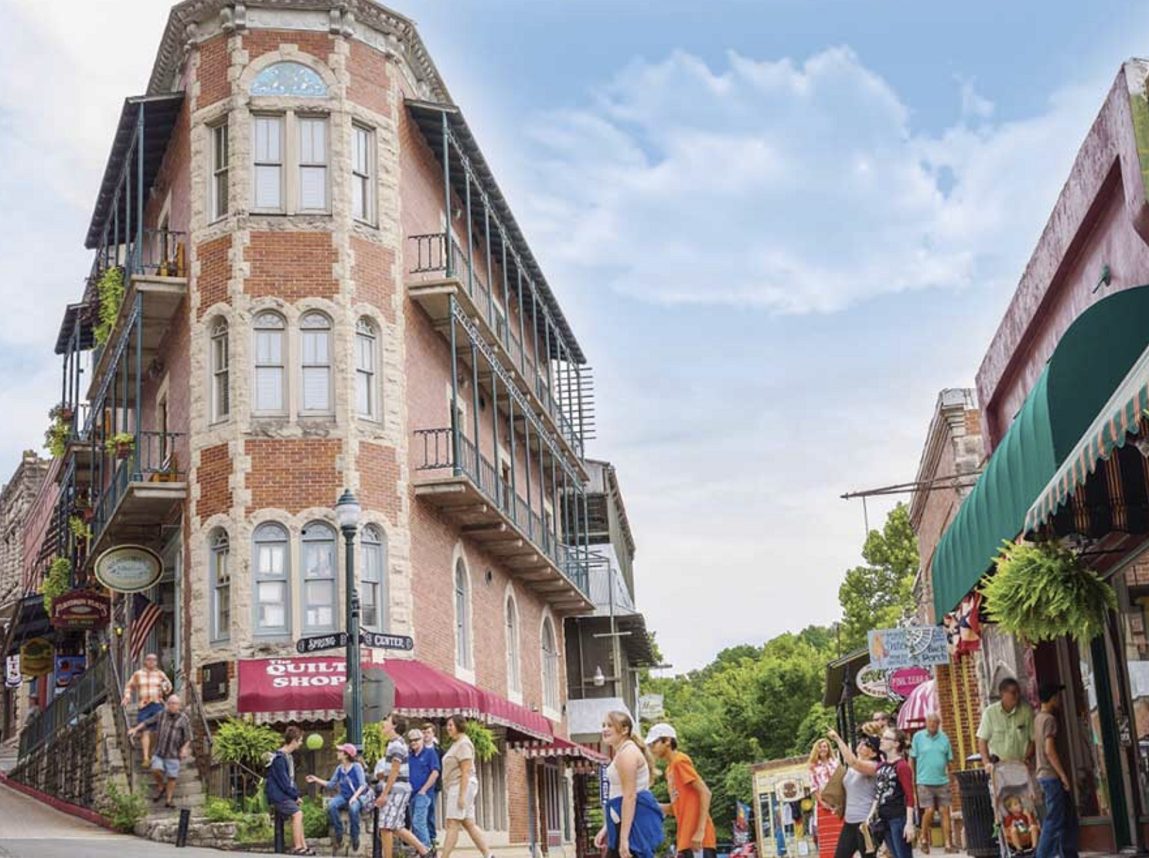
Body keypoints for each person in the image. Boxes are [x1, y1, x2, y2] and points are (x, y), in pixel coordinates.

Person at [593, 711, 665, 858]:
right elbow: (618, 793)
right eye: (603, 725)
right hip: (623, 822)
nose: (605, 729)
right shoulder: (623, 752)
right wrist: (607, 827)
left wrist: (624, 839)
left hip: (633, 825)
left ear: (625, 730)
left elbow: (629, 796)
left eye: (610, 725)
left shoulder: (627, 754)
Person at [646, 723, 717, 858]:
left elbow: (705, 792)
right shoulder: (669, 770)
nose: (651, 748)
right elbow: (676, 808)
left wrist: (700, 832)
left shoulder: (680, 761)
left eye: (654, 743)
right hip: (685, 840)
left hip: (698, 840)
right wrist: (650, 805)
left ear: (667, 741)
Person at [374, 713, 435, 858]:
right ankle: (426, 852)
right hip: (399, 789)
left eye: (387, 720)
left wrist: (384, 794)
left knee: (385, 827)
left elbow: (395, 770)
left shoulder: (395, 744)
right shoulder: (397, 743)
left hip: (396, 790)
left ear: (394, 725)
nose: (383, 723)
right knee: (395, 827)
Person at [439, 714, 496, 858]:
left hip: (461, 785)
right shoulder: (457, 743)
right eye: (448, 725)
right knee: (468, 823)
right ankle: (489, 855)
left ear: (459, 726)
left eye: (451, 725)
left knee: (452, 823)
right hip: (457, 785)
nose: (448, 728)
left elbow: (465, 771)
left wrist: (462, 796)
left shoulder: (464, 744)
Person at [1034, 683, 1077, 858]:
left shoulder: (1038, 718)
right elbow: (1049, 750)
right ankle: (1043, 855)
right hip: (1050, 776)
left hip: (1042, 776)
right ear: (1052, 698)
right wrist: (1063, 775)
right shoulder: (1049, 719)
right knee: (1054, 819)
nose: (1059, 700)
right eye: (1057, 697)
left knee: (1064, 817)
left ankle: (1068, 853)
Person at [127, 693, 191, 809]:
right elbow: (147, 722)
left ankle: (169, 800)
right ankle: (161, 787)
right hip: (159, 752)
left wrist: (184, 749)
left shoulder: (184, 719)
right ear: (167, 704)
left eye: (175, 704)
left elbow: (188, 737)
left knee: (172, 778)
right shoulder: (161, 715)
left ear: (179, 706)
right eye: (171, 703)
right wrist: (135, 729)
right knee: (156, 769)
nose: (173, 706)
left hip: (173, 754)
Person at [306, 742, 369, 852]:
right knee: (332, 805)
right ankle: (339, 833)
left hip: (356, 796)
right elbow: (331, 784)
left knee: (353, 810)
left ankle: (355, 837)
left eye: (340, 751)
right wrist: (315, 779)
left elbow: (363, 785)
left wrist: (354, 797)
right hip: (344, 796)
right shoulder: (340, 768)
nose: (337, 753)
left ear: (346, 755)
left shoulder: (357, 767)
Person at [828, 729, 880, 858]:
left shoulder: (873, 766)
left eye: (867, 744)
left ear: (873, 753)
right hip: (849, 822)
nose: (862, 744)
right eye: (862, 741)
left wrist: (838, 739)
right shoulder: (851, 769)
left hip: (864, 823)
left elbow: (854, 762)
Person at [910, 713, 956, 854]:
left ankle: (948, 843)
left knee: (944, 811)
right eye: (930, 722)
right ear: (926, 723)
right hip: (924, 780)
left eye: (935, 723)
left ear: (938, 724)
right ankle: (924, 838)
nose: (932, 725)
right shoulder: (918, 737)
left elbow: (949, 760)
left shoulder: (944, 738)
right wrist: (912, 776)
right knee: (929, 811)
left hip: (942, 780)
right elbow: (912, 759)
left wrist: (952, 777)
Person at [266, 725, 315, 856]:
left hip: (284, 794)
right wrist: (295, 796)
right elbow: (284, 782)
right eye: (300, 740)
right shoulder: (279, 758)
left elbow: (290, 780)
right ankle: (298, 848)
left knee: (298, 814)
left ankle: (304, 846)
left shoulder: (288, 757)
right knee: (297, 814)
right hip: (278, 795)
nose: (301, 743)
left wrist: (295, 795)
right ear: (293, 741)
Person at [121, 653, 173, 769]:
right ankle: (145, 758)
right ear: (145, 661)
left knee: (155, 732)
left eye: (154, 660)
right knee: (145, 731)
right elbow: (129, 686)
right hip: (143, 706)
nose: (151, 662)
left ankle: (150, 751)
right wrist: (127, 697)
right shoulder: (138, 674)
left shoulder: (160, 674)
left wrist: (165, 688)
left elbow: (169, 687)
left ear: (156, 662)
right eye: (149, 659)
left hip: (157, 705)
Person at [870, 728, 915, 858]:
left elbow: (910, 796)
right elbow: (878, 793)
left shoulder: (902, 766)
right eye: (882, 737)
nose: (881, 740)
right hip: (884, 818)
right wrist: (870, 815)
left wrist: (909, 823)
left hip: (898, 818)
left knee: (903, 855)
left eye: (886, 738)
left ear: (896, 744)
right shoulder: (881, 766)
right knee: (894, 854)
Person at [977, 678, 1034, 773]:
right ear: (1003, 694)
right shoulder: (990, 713)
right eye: (1013, 693)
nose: (1017, 696)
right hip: (998, 769)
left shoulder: (1026, 711)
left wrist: (1027, 758)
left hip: (1020, 767)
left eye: (1018, 692)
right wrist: (987, 763)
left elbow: (1033, 739)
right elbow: (982, 741)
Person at [409, 728, 442, 852]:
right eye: (411, 741)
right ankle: (420, 850)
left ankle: (427, 850)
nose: (413, 743)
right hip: (411, 795)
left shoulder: (430, 753)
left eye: (416, 740)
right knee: (415, 823)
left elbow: (435, 773)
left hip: (424, 794)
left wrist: (424, 790)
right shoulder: (410, 756)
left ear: (422, 739)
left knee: (419, 822)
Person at [807, 737, 840, 844]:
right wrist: (821, 802)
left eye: (825, 746)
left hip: (837, 799)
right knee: (827, 832)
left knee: (840, 829)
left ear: (829, 748)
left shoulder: (835, 763)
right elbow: (814, 787)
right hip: (823, 799)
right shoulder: (813, 766)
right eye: (820, 747)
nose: (823, 749)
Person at [423, 723, 444, 844]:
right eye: (424, 732)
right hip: (420, 784)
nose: (426, 735)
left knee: (430, 809)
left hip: (433, 786)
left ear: (433, 734)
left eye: (428, 732)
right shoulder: (418, 748)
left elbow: (441, 767)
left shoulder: (438, 750)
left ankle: (431, 836)